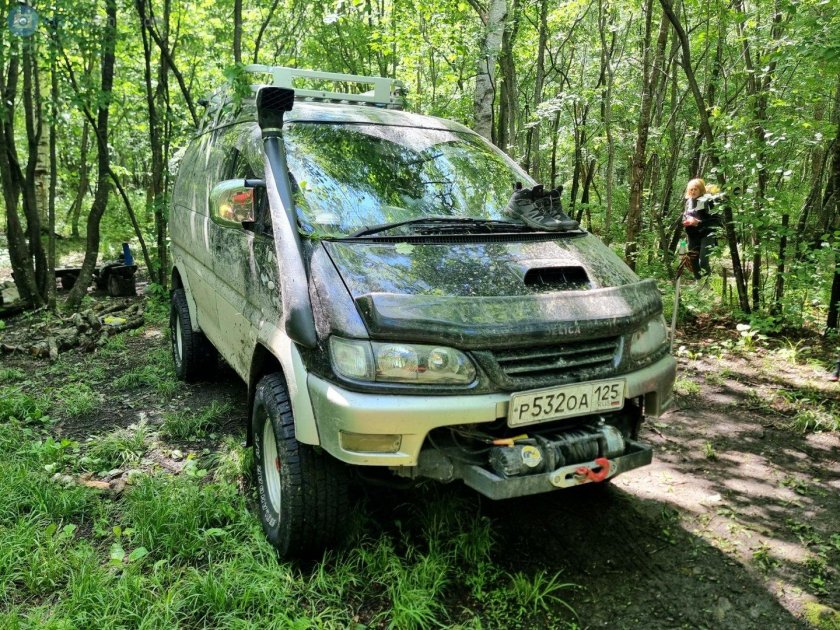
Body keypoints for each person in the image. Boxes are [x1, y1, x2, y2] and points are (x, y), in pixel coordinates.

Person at [682, 178, 718, 280]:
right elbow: (685, 216)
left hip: (707, 234)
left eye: (695, 189)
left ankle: (706, 284)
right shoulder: (688, 202)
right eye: (691, 189)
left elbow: (716, 220)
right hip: (693, 235)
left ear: (701, 190)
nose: (693, 191)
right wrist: (685, 221)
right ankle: (698, 281)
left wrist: (699, 222)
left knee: (703, 261)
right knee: (693, 259)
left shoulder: (708, 201)